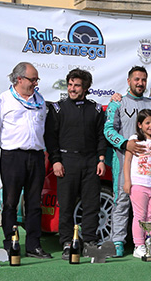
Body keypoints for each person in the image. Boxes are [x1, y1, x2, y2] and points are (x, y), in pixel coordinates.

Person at [104, 66, 151, 257]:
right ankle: (118, 241)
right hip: (124, 161)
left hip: (148, 168)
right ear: (129, 81)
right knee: (121, 201)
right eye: (136, 79)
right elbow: (108, 130)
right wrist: (126, 144)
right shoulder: (118, 103)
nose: (140, 83)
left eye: (143, 80)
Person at [44, 68, 108, 259]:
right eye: (70, 84)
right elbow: (51, 138)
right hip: (66, 160)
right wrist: (55, 160)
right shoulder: (58, 109)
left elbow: (100, 137)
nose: (72, 88)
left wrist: (101, 160)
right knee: (66, 205)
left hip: (90, 161)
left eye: (77, 85)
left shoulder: (95, 109)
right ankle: (66, 243)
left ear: (86, 87)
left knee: (91, 205)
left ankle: (89, 241)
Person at [0, 62, 52, 259]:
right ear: (19, 79)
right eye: (32, 79)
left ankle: (33, 245)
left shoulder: (40, 100)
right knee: (10, 201)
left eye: (36, 80)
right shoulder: (3, 100)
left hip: (36, 155)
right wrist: (9, 145)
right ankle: (11, 243)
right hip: (12, 155)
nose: (35, 83)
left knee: (34, 203)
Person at [123, 110, 151, 258]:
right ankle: (138, 245)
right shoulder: (134, 140)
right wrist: (127, 181)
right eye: (147, 123)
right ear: (140, 125)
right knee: (140, 215)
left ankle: (148, 244)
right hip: (139, 184)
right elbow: (127, 161)